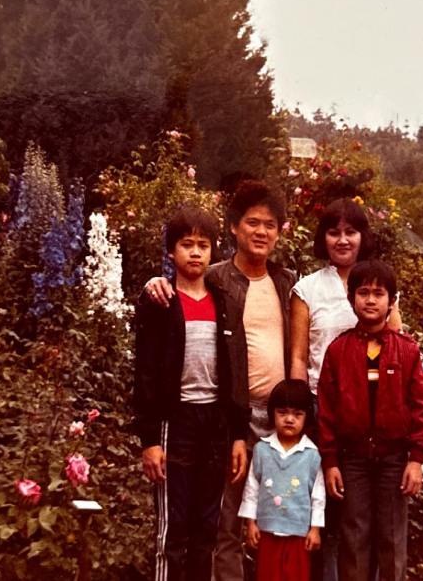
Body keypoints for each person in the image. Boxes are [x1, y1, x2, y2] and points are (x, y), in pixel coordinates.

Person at [145, 180, 296, 581]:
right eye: (252, 222)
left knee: (280, 522)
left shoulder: (287, 283)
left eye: (270, 224)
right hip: (223, 419)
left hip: (278, 421)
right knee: (219, 525)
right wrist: (152, 283)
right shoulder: (215, 280)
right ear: (233, 228)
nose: (261, 232)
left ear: (280, 231)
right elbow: (175, 292)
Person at [132, 206, 250, 581]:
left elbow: (236, 371)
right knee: (173, 528)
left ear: (214, 250)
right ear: (171, 252)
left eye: (203, 245)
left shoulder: (224, 302)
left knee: (207, 527)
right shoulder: (161, 302)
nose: (195, 253)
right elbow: (146, 373)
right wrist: (150, 439)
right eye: (186, 245)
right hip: (175, 424)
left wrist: (238, 435)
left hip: (214, 426)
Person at [288, 198, 400, 581]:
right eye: (333, 232)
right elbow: (300, 357)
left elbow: (395, 345)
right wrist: (301, 414)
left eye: (350, 231)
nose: (342, 240)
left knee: (366, 513)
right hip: (323, 408)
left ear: (362, 236)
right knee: (326, 507)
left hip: (373, 414)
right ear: (323, 238)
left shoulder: (378, 282)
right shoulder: (307, 289)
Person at [316, 260, 423, 581]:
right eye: (363, 292)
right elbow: (326, 411)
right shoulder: (338, 351)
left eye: (378, 293)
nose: (370, 300)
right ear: (351, 297)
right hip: (351, 461)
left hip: (394, 460)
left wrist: (416, 459)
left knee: (391, 538)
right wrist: (330, 462)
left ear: (391, 300)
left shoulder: (407, 350)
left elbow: (422, 408)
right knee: (354, 537)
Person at [239, 379, 325, 581]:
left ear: (306, 418)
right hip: (267, 533)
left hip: (299, 536)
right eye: (283, 412)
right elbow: (251, 490)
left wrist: (315, 529)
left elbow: (318, 495)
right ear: (272, 413)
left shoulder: (312, 455)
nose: (289, 419)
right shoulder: (262, 451)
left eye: (297, 414)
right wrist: (251, 523)